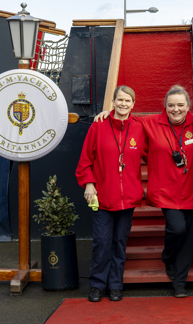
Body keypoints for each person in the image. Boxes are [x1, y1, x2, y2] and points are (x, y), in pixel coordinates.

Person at [94, 86, 193, 298]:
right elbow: (123, 118)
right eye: (171, 105)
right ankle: (168, 258)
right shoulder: (150, 122)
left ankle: (179, 283)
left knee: (188, 239)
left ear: (188, 107)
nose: (175, 109)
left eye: (180, 105)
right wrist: (107, 113)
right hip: (165, 190)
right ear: (165, 107)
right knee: (177, 228)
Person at [75, 86, 146, 302]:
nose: (124, 104)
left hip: (128, 199)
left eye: (128, 101)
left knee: (119, 244)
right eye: (120, 100)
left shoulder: (140, 128)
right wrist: (89, 184)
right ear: (113, 102)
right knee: (102, 243)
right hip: (103, 197)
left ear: (133, 104)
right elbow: (85, 161)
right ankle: (97, 285)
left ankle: (116, 285)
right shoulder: (98, 126)